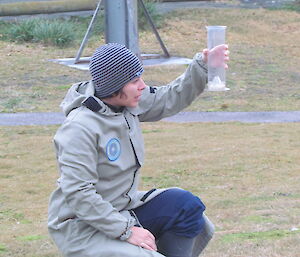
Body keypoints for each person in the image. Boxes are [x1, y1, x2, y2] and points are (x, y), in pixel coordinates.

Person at [48, 43, 229, 257]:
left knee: (186, 207)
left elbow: (169, 97)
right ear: (113, 87)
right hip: (82, 227)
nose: (143, 86)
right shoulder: (79, 128)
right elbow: (79, 193)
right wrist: (126, 231)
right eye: (135, 81)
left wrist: (202, 66)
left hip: (122, 208)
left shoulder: (124, 104)